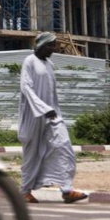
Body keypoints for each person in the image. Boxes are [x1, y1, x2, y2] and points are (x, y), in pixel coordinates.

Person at [18, 32, 88, 204]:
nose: (54, 49)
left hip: (52, 115)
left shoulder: (49, 64)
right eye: (51, 45)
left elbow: (52, 92)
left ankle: (67, 190)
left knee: (64, 147)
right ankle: (25, 191)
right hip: (33, 116)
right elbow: (26, 87)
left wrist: (52, 110)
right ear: (41, 45)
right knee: (32, 155)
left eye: (54, 45)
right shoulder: (29, 61)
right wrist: (42, 108)